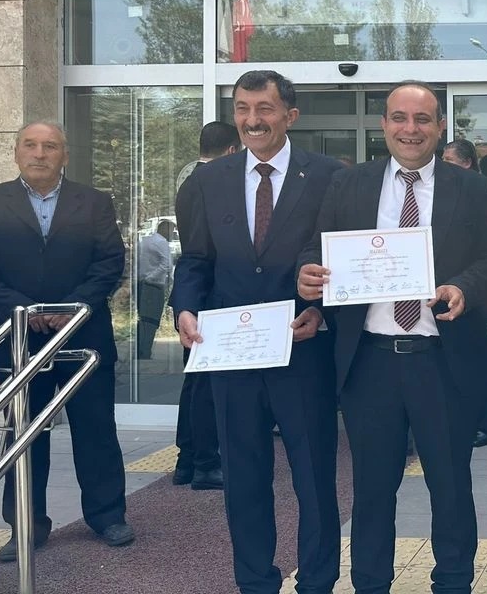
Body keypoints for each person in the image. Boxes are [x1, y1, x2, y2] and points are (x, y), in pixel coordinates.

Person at [297, 80, 487, 594]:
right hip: (370, 362)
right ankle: (371, 584)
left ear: (440, 126)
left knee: (450, 488)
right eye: (400, 118)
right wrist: (308, 275)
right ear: (384, 124)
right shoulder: (349, 184)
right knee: (371, 490)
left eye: (423, 119)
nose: (411, 129)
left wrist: (464, 287)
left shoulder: (472, 189)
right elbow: (317, 249)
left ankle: (453, 584)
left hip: (443, 360)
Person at [172, 71, 343, 594]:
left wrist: (322, 311)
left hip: (303, 351)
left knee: (314, 479)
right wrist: (184, 309)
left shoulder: (330, 176)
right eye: (243, 108)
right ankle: (255, 582)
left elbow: (341, 257)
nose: (253, 120)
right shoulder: (209, 180)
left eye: (265, 108)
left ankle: (317, 582)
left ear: (290, 115)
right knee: (243, 480)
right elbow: (195, 259)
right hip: (232, 357)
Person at [0, 122, 134, 561]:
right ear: (16, 152)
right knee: (23, 435)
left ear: (65, 155)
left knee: (96, 429)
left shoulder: (95, 202)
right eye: (30, 145)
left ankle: (107, 516)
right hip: (17, 338)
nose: (40, 153)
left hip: (84, 334)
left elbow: (110, 261)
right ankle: (26, 524)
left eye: (50, 146)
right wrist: (28, 310)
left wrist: (71, 306)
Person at [172, 121, 239, 490]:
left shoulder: (188, 180)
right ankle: (205, 463)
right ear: (231, 151)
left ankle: (187, 458)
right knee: (208, 386)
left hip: (194, 294)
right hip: (209, 294)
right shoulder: (210, 182)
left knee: (195, 382)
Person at [441, 137, 487, 448]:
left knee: (481, 365)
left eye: (449, 161)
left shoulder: (480, 191)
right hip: (450, 299)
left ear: (467, 163)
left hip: (477, 296)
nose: (443, 167)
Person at [135, 219, 173, 360]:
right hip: (154, 285)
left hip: (141, 283)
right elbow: (167, 265)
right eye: (171, 231)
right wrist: (151, 277)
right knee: (151, 320)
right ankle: (145, 352)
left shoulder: (145, 241)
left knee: (143, 319)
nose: (172, 234)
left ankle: (141, 350)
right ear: (165, 230)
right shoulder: (161, 242)